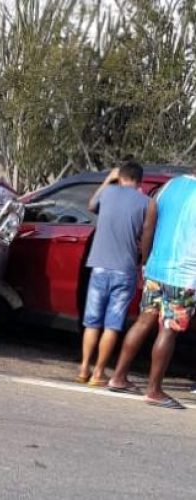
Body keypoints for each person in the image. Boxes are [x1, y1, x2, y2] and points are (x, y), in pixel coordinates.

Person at [108, 171, 196, 409]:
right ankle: (154, 390)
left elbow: (148, 227)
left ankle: (118, 376)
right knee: (168, 330)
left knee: (143, 321)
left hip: (156, 269)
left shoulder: (168, 187)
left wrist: (145, 263)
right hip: (184, 276)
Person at [76, 160, 151, 386]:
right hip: (124, 269)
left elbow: (91, 205)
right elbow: (146, 237)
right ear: (140, 181)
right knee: (112, 324)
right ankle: (99, 373)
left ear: (121, 177)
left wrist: (109, 179)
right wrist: (144, 261)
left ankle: (83, 368)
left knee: (92, 322)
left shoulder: (107, 193)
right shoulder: (147, 203)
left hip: (99, 266)